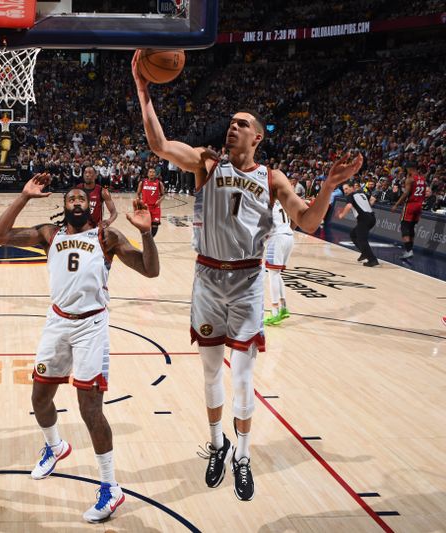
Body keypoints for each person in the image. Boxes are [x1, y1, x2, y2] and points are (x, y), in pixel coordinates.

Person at [132, 50, 364, 502]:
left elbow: (309, 222)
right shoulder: (206, 162)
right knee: (209, 374)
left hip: (244, 283)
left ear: (257, 136)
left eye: (241, 123)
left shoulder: (273, 178)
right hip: (206, 280)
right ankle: (217, 443)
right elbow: (160, 145)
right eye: (231, 122)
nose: (232, 126)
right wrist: (143, 91)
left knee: (241, 377)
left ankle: (241, 453)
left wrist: (329, 188)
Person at [0, 173, 159, 523]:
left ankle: (111, 488)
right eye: (72, 198)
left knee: (90, 409)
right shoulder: (49, 234)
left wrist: (145, 232)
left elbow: (150, 270)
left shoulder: (106, 236)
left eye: (83, 198)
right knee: (39, 399)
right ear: (64, 206)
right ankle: (55, 447)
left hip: (91, 327)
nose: (78, 201)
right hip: (57, 322)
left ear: (91, 205)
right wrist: (23, 197)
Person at [263, 202, 295, 325]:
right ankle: (283, 307)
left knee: (273, 275)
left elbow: (264, 225)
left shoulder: (267, 202)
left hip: (277, 238)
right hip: (289, 236)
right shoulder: (282, 200)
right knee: (277, 273)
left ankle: (275, 311)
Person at [338, 182, 379, 267]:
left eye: (346, 188)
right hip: (372, 217)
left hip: (364, 219)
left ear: (352, 187)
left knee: (362, 240)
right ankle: (364, 253)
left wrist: (342, 215)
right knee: (353, 234)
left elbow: (349, 206)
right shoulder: (361, 193)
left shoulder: (350, 195)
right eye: (344, 189)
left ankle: (372, 260)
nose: (345, 191)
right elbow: (372, 199)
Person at [392, 163, 427, 259]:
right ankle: (409, 250)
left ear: (409, 169)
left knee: (404, 228)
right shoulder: (423, 179)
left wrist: (396, 204)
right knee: (411, 228)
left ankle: (408, 251)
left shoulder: (410, 179)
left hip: (410, 206)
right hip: (419, 206)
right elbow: (424, 194)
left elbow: (406, 193)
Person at [137, 167, 165, 236]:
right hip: (145, 208)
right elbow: (138, 193)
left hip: (155, 208)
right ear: (147, 174)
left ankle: (150, 241)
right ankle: (148, 242)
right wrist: (139, 201)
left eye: (153, 172)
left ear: (155, 174)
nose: (152, 173)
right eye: (150, 172)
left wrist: (159, 200)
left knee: (155, 226)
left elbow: (163, 195)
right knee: (145, 227)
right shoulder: (142, 182)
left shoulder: (159, 183)